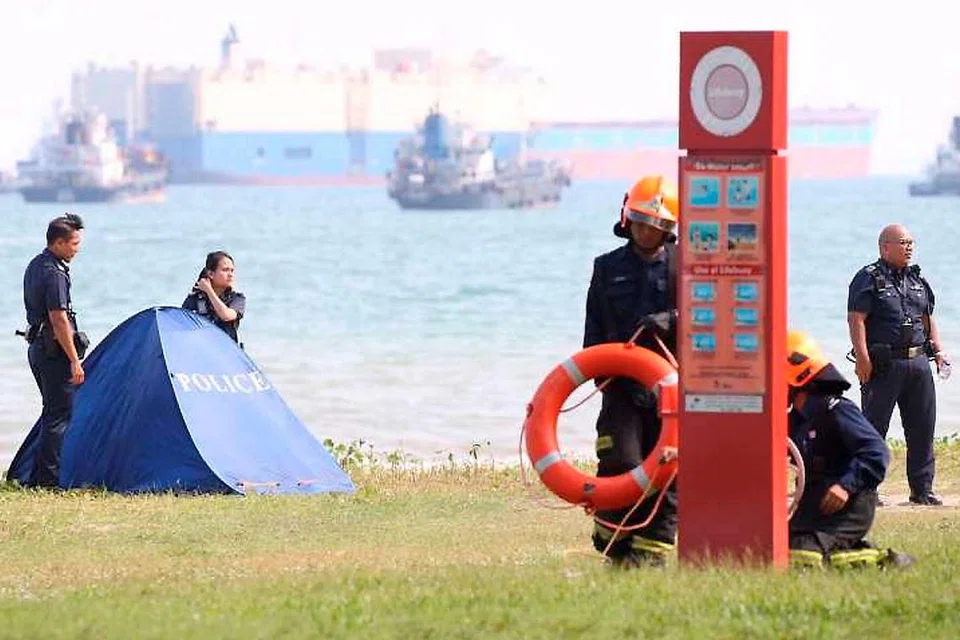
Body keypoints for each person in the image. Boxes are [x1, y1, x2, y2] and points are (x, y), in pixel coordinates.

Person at [583, 175, 680, 568]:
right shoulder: (606, 267)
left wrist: (671, 320)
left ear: (668, 227)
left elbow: (706, 315)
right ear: (628, 219)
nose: (646, 230)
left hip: (670, 391)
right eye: (641, 221)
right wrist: (597, 373)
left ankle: (651, 553)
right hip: (621, 387)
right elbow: (593, 327)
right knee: (619, 462)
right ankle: (614, 542)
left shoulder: (686, 265)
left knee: (668, 471)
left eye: (656, 224)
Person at [786, 329, 914, 569]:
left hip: (848, 506)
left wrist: (845, 486)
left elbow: (876, 451)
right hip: (813, 504)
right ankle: (849, 550)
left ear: (796, 374)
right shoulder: (796, 420)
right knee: (778, 546)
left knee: (803, 554)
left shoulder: (836, 410)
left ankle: (882, 560)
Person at [847, 224, 946, 505]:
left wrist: (938, 351)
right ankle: (867, 490)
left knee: (922, 428)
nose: (909, 247)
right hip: (883, 366)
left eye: (911, 242)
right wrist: (862, 358)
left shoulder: (917, 280)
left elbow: (927, 318)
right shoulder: (867, 278)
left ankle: (922, 490)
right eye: (903, 242)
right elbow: (856, 319)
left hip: (918, 363)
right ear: (885, 247)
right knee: (873, 429)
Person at [22, 213, 87, 487]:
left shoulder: (36, 264)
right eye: (74, 243)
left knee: (52, 413)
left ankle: (37, 477)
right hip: (52, 352)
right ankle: (46, 482)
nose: (77, 249)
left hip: (38, 348)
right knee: (59, 415)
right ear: (58, 243)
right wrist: (74, 360)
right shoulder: (55, 274)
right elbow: (59, 319)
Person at [182, 251, 246, 344]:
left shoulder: (237, 299)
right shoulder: (194, 300)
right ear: (211, 274)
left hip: (226, 350)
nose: (230, 274)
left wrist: (209, 291)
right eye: (225, 270)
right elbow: (183, 328)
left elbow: (226, 316)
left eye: (232, 270)